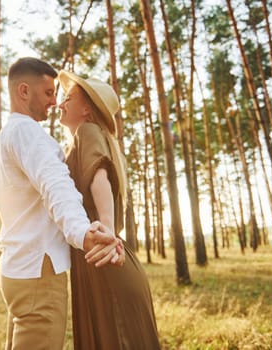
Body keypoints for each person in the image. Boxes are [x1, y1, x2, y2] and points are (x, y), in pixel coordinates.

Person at [0, 57, 123, 350]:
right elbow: (56, 185)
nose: (54, 102)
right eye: (49, 93)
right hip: (40, 272)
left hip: (18, 269)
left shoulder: (10, 133)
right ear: (24, 91)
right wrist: (83, 234)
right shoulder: (28, 133)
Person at [58, 70, 162, 350]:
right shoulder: (78, 143)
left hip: (105, 257)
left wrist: (107, 231)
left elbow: (99, 176)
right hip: (98, 260)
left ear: (87, 110)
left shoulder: (87, 131)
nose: (60, 103)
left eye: (68, 98)